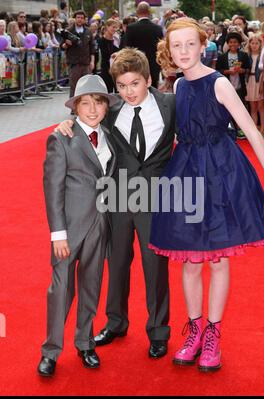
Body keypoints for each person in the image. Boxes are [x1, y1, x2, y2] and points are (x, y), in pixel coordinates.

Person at [148, 17, 264, 372]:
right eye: (176, 45)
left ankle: (213, 334)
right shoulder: (178, 86)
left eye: (190, 44)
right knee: (190, 259)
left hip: (221, 174)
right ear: (169, 49)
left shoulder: (220, 83)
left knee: (217, 258)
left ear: (202, 45)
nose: (183, 51)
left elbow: (253, 132)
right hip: (187, 174)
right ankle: (194, 331)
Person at [55, 48, 176, 359]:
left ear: (149, 80)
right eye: (121, 86)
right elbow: (87, 111)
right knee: (117, 262)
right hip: (118, 195)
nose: (128, 92)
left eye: (134, 84)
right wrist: (66, 122)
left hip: (155, 196)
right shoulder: (112, 106)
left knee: (155, 267)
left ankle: (158, 331)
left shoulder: (170, 104)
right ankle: (117, 322)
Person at [37, 75, 118, 377]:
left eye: (98, 102)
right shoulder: (61, 138)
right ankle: (50, 351)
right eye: (86, 103)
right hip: (68, 230)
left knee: (91, 285)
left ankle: (85, 343)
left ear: (105, 107)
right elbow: (53, 189)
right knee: (60, 289)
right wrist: (57, 233)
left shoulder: (109, 134)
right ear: (75, 107)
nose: (93, 109)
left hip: (100, 224)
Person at [125, 1, 163, 88]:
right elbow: (160, 49)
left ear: (137, 12)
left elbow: (127, 49)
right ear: (149, 12)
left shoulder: (131, 28)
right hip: (153, 66)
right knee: (153, 90)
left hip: (136, 66)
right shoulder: (157, 29)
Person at [61, 10, 95, 99]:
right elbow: (61, 46)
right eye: (78, 17)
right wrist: (66, 44)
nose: (79, 19)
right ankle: (73, 107)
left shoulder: (88, 31)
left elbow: (92, 48)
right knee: (74, 86)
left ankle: (86, 106)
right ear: (75, 19)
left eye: (81, 18)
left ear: (84, 20)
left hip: (86, 63)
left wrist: (92, 61)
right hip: (74, 63)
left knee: (86, 86)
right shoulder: (68, 31)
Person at [245, 34, 264, 134]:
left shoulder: (262, 55)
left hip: (259, 81)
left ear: (260, 44)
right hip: (250, 81)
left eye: (257, 43)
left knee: (260, 107)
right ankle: (254, 131)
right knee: (252, 107)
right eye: (252, 43)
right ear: (249, 44)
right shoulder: (246, 56)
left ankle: (261, 130)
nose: (254, 45)